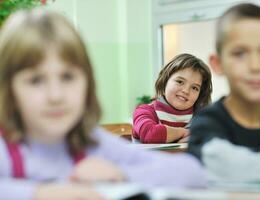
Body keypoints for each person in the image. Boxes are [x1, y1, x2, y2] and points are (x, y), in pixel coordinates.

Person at [0, 8, 207, 200]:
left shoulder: (92, 143)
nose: (55, 95)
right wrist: (40, 193)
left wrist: (120, 174)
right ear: (9, 89)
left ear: (87, 83)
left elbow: (192, 173)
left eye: (67, 77)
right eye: (35, 80)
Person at [188, 3, 260, 182]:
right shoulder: (206, 123)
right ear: (217, 63)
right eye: (239, 53)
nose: (255, 66)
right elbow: (226, 167)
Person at [132, 53, 212, 143]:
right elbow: (150, 135)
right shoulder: (144, 111)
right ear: (165, 81)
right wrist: (184, 132)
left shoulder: (201, 118)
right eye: (180, 81)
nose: (186, 91)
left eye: (194, 88)